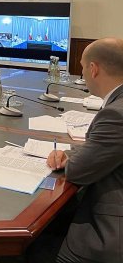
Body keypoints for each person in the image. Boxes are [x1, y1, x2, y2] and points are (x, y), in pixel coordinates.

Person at [35, 38, 123, 263]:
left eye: (82, 67)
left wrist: (72, 160)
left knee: (27, 245)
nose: (82, 74)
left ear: (93, 69)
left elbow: (78, 171)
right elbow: (102, 148)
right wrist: (70, 154)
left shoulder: (116, 114)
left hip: (108, 234)